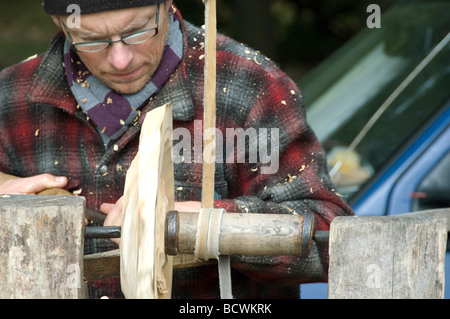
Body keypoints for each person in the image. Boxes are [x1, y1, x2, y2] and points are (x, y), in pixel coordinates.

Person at [0, 0, 353, 299]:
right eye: (91, 40)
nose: (120, 59)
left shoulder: (249, 85)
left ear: (167, 5)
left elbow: (329, 238)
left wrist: (201, 224)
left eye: (138, 31)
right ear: (61, 22)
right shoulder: (10, 96)